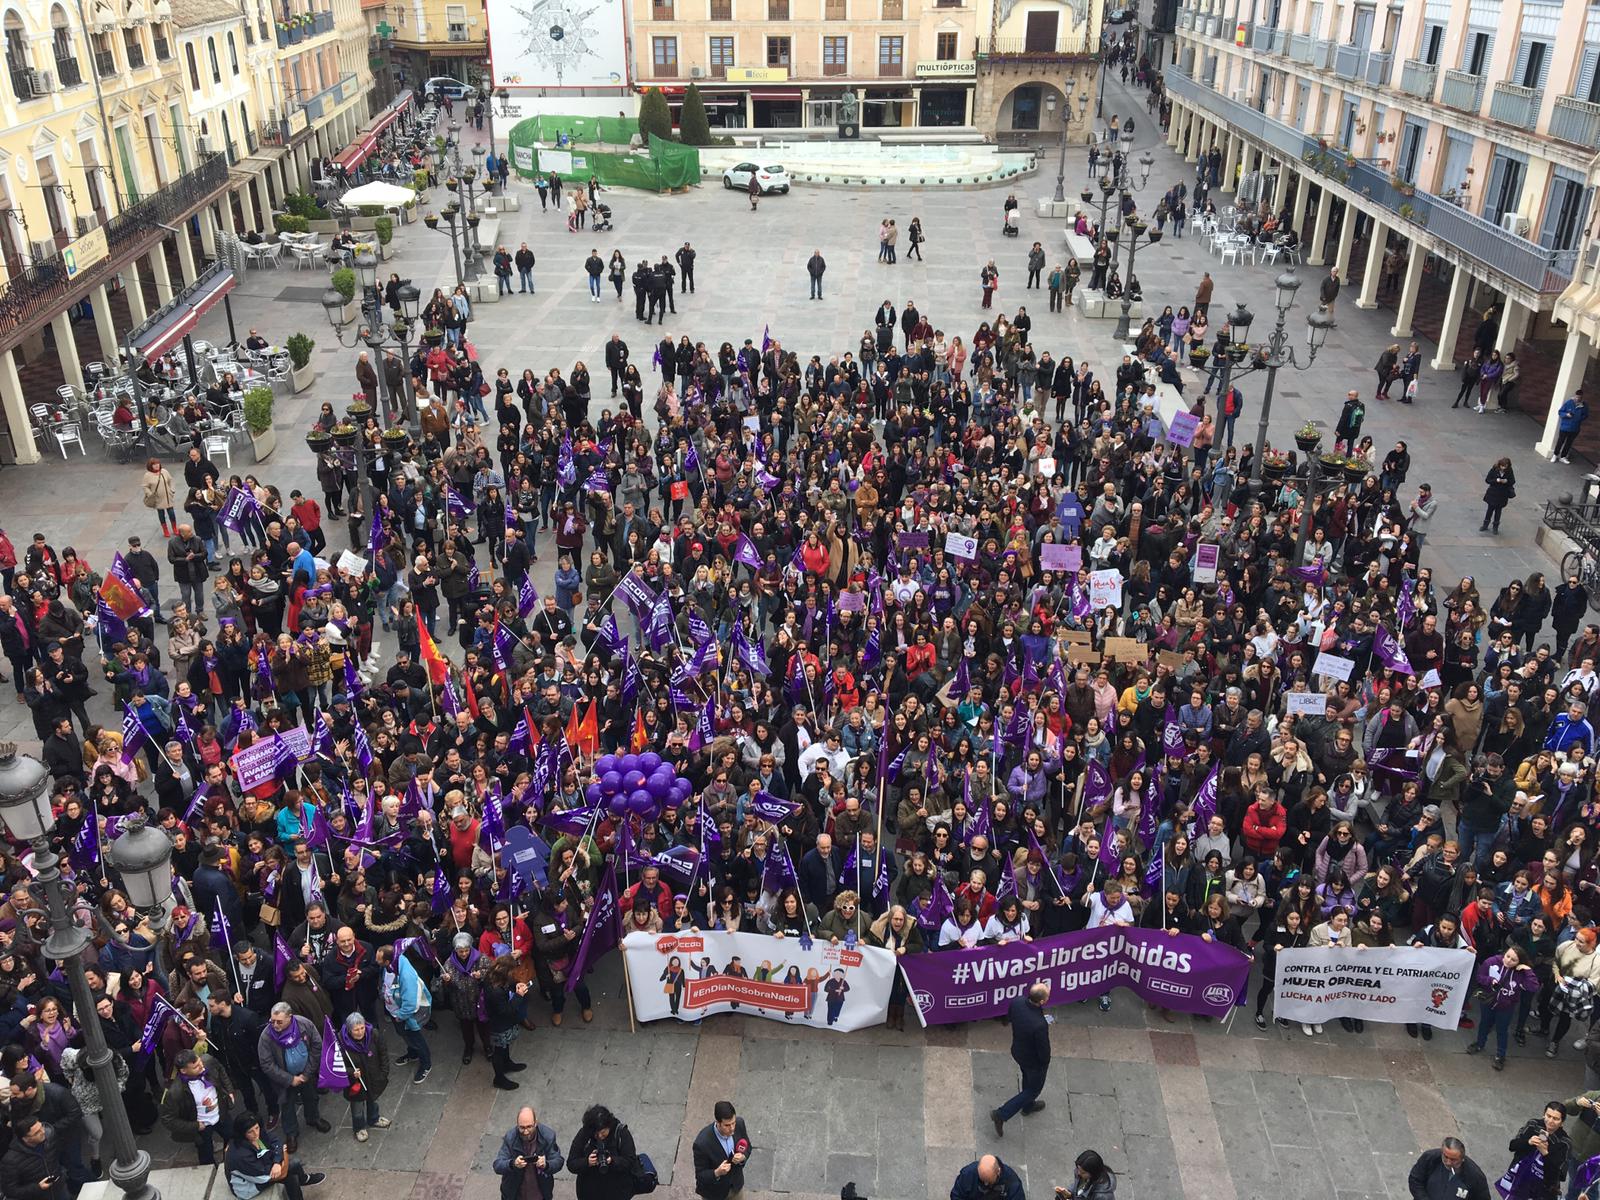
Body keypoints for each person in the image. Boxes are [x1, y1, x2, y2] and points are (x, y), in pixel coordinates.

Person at [990, 981, 1051, 1137]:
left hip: (1018, 1051)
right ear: (1042, 1001)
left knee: (1026, 1077)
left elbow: (1009, 1017)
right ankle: (1002, 1114)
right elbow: (1043, 1051)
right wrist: (1045, 1064)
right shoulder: (1040, 1025)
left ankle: (1028, 1106)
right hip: (1033, 1061)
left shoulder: (1017, 1002)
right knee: (1034, 1089)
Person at [224, 1111, 327, 1200]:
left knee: (291, 1171)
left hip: (262, 1166)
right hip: (249, 1186)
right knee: (292, 1170)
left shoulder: (255, 1136)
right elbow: (276, 1174)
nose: (256, 1134)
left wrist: (277, 1161)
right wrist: (284, 1155)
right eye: (250, 1132)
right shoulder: (242, 1156)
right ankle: (304, 1179)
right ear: (242, 1133)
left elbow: (276, 1141)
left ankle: (303, 1179)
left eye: (257, 1128)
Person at [333, 1011, 392, 1142]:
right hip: (356, 1082)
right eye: (356, 1030)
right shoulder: (341, 1044)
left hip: (374, 1077)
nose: (360, 1032)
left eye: (362, 1028)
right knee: (357, 1107)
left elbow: (383, 1053)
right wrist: (350, 1073)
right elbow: (337, 1065)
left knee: (373, 1099)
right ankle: (359, 1128)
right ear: (349, 1030)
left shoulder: (374, 1034)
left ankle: (374, 1118)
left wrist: (384, 1073)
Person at [567, 1104, 641, 1200]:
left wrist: (612, 1160)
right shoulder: (584, 1134)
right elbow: (571, 1163)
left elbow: (630, 1161)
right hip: (589, 1191)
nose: (600, 1136)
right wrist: (587, 1162)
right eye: (596, 1134)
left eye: (603, 1132)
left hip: (617, 1191)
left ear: (609, 1126)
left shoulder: (621, 1133)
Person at [1502, 1102, 1571, 1200]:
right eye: (1548, 1116)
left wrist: (1545, 1154)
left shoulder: (1565, 1143)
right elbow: (1513, 1146)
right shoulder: (1533, 1125)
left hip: (1542, 1191)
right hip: (1520, 1178)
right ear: (1544, 1115)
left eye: (1556, 1119)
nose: (1550, 1121)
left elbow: (1558, 1175)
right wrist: (1528, 1142)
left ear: (1562, 1122)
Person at [494, 1106, 565, 1200]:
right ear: (517, 1125)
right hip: (515, 1193)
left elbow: (558, 1161)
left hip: (540, 1193)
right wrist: (512, 1164)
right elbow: (498, 1165)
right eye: (522, 1127)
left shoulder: (548, 1136)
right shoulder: (510, 1138)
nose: (526, 1131)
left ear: (535, 1123)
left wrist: (546, 1164)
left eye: (529, 1127)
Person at [691, 1100, 750, 1200]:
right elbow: (700, 1175)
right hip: (715, 1194)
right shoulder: (702, 1144)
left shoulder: (739, 1124)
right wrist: (717, 1172)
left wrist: (743, 1156)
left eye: (733, 1123)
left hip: (736, 1187)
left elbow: (748, 1146)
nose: (732, 1128)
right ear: (717, 1122)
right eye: (727, 1125)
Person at [1407, 1138, 1491, 1200]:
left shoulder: (1475, 1176)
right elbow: (1415, 1180)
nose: (1448, 1162)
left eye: (1453, 1159)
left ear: (1462, 1158)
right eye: (1445, 1156)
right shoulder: (1430, 1158)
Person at [950, 1155, 1025, 1200]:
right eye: (982, 1180)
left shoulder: (1012, 1183)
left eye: (989, 1181)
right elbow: (957, 1195)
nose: (985, 1184)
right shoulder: (968, 1174)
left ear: (998, 1171)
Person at [1482, 457, 1516, 535]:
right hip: (1493, 493)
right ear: (1500, 465)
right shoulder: (1494, 469)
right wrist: (1496, 480)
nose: (1503, 468)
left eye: (1505, 466)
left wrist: (1506, 481)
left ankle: (1495, 527)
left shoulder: (1509, 471)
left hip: (1502, 495)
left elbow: (1512, 481)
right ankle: (1485, 525)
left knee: (1498, 511)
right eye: (1502, 466)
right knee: (1489, 510)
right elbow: (1487, 480)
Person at [1555, 391, 1589, 464]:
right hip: (1565, 427)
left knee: (1569, 443)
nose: (1577, 399)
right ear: (1575, 396)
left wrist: (1579, 418)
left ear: (1581, 397)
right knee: (1560, 441)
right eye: (1576, 397)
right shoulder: (1569, 403)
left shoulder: (1584, 405)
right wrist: (1566, 414)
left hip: (1575, 428)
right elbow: (1560, 412)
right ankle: (1555, 454)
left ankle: (1563, 457)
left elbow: (1585, 415)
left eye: (1579, 397)